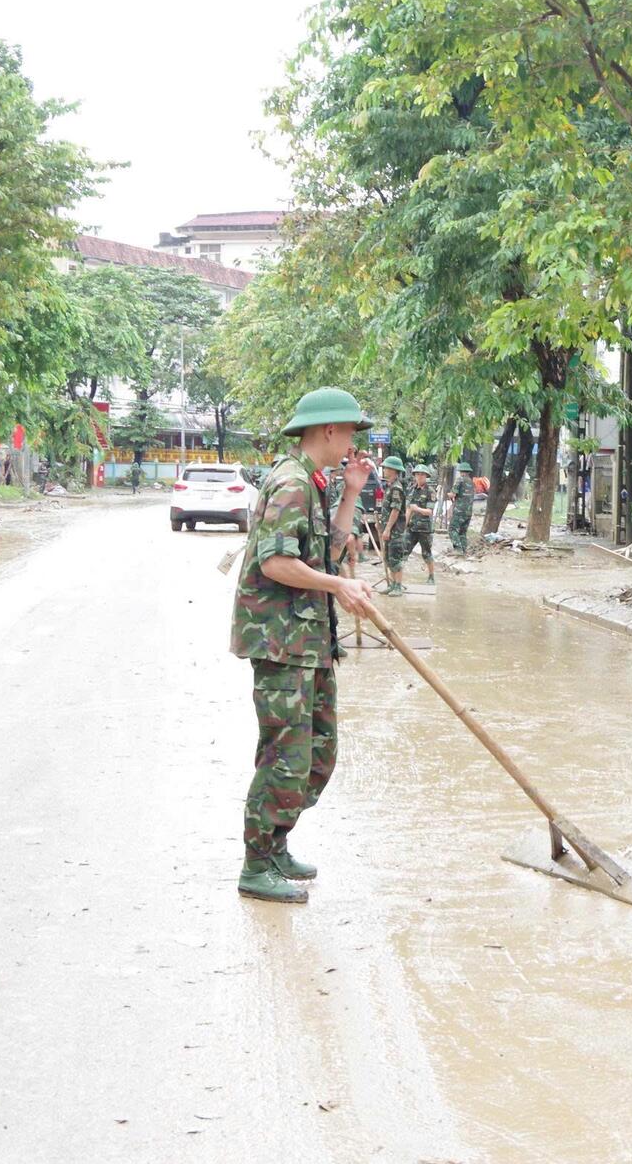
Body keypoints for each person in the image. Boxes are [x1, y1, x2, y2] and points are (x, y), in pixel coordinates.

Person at [229, 387, 376, 903]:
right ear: (330, 429)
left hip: (308, 642)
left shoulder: (312, 483)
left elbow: (329, 552)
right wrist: (340, 587)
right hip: (281, 642)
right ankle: (256, 864)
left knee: (317, 755)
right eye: (352, 431)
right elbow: (275, 565)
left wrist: (352, 491)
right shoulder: (290, 483)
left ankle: (276, 843)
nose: (355, 441)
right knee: (284, 757)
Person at [379, 456, 409, 595]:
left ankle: (398, 585)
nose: (384, 470)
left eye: (386, 468)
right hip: (389, 529)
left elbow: (395, 510)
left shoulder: (396, 488)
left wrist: (387, 529)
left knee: (395, 558)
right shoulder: (390, 487)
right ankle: (392, 584)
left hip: (395, 531)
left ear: (393, 470)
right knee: (388, 558)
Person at [404, 464, 438, 584]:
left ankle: (431, 577)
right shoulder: (411, 489)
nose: (419, 477)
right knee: (403, 551)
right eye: (417, 474)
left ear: (426, 476)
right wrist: (404, 525)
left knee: (426, 554)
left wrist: (417, 509)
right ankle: (398, 579)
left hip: (425, 529)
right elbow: (408, 509)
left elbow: (429, 512)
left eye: (422, 474)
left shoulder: (430, 491)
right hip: (412, 528)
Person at [450, 460, 476, 555]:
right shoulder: (472, 483)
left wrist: (448, 494)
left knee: (453, 528)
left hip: (459, 510)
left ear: (461, 471)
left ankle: (457, 549)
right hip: (469, 511)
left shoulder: (460, 480)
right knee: (463, 531)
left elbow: (453, 494)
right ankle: (464, 550)